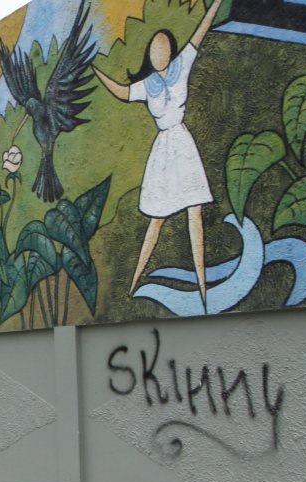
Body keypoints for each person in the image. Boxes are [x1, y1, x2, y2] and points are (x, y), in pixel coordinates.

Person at [92, 0, 223, 308]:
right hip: (163, 151)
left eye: (163, 47)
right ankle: (136, 279)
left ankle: (203, 285)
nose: (158, 52)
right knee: (158, 217)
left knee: (195, 211)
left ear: (170, 50)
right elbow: (122, 92)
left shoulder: (182, 67)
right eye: (154, 48)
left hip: (183, 145)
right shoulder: (146, 85)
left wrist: (215, 5)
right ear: (150, 55)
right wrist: (96, 71)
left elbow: (200, 33)